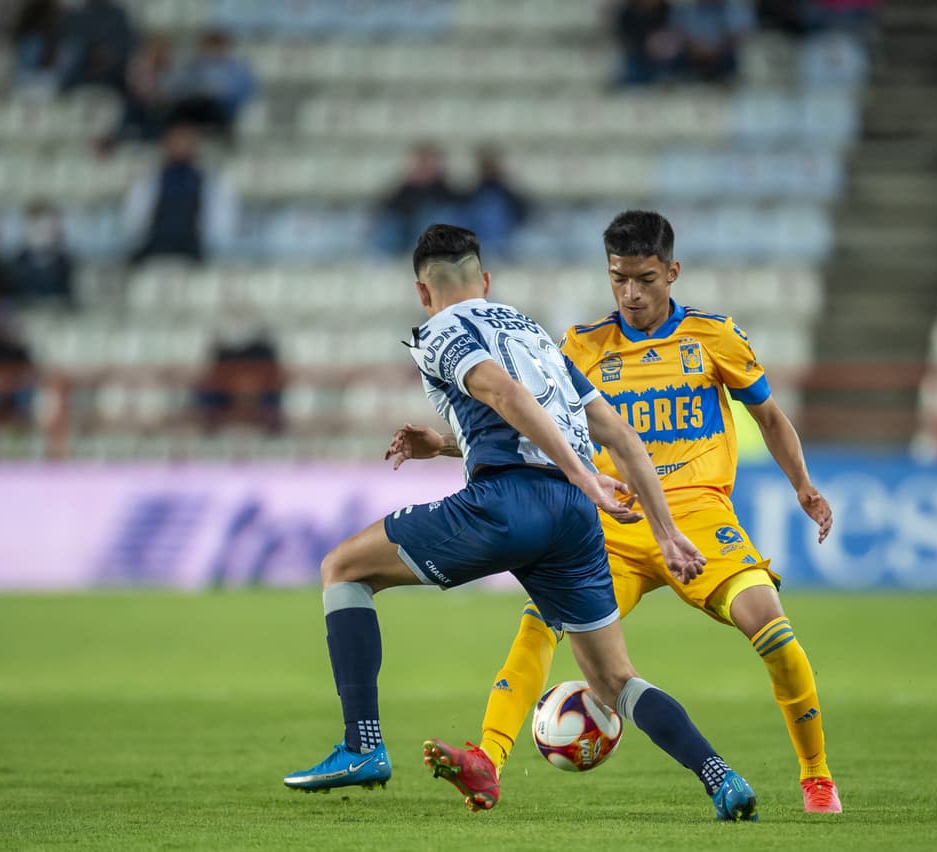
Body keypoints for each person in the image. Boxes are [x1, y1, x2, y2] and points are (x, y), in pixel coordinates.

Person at [282, 224, 760, 823]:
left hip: (509, 504)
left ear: (422, 293)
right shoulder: (530, 331)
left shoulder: (438, 332)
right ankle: (722, 778)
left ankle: (361, 745)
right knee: (613, 678)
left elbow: (506, 398)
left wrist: (586, 477)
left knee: (342, 568)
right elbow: (614, 431)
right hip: (575, 521)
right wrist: (663, 530)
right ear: (485, 281)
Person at [388, 211, 841, 814]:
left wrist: (803, 486)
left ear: (672, 272)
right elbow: (532, 425)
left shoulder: (714, 337)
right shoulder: (583, 345)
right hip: (612, 523)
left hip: (696, 518)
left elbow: (769, 417)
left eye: (646, 279)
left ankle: (816, 776)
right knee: (537, 627)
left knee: (774, 632)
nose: (631, 293)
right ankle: (487, 760)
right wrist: (444, 445)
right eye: (619, 279)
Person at [123, 123, 237, 264]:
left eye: (186, 141)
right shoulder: (151, 179)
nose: (181, 146)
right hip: (156, 242)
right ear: (166, 144)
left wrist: (210, 245)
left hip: (191, 244)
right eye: (176, 140)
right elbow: (137, 215)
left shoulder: (207, 180)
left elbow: (218, 220)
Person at [165, 29, 256, 138]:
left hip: (221, 110)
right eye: (209, 46)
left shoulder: (237, 69)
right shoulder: (194, 65)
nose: (213, 51)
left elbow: (241, 92)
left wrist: (215, 90)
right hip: (192, 107)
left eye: (216, 46)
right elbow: (175, 86)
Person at [374, 144, 461, 255]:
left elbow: (454, 203)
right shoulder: (405, 189)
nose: (423, 166)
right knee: (390, 224)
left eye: (427, 162)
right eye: (420, 162)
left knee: (433, 216)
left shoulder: (442, 188)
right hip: (405, 228)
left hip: (428, 229)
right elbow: (392, 207)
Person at [462, 148, 530, 259]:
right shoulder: (473, 192)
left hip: (506, 240)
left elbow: (522, 213)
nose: (491, 169)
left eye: (493, 165)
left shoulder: (508, 192)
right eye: (488, 165)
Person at [9, 201, 75, 308]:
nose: (43, 234)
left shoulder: (65, 263)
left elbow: (67, 300)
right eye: (37, 228)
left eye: (48, 227)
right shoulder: (17, 264)